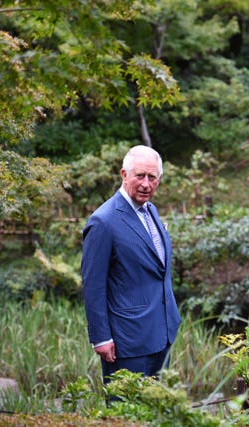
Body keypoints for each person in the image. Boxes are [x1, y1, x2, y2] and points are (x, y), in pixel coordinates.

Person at [81, 145, 181, 384]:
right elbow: (93, 285)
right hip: (126, 341)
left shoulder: (151, 211)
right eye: (140, 176)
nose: (146, 184)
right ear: (124, 175)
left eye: (152, 177)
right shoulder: (103, 222)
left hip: (162, 334)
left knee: (158, 413)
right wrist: (101, 337)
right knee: (126, 414)